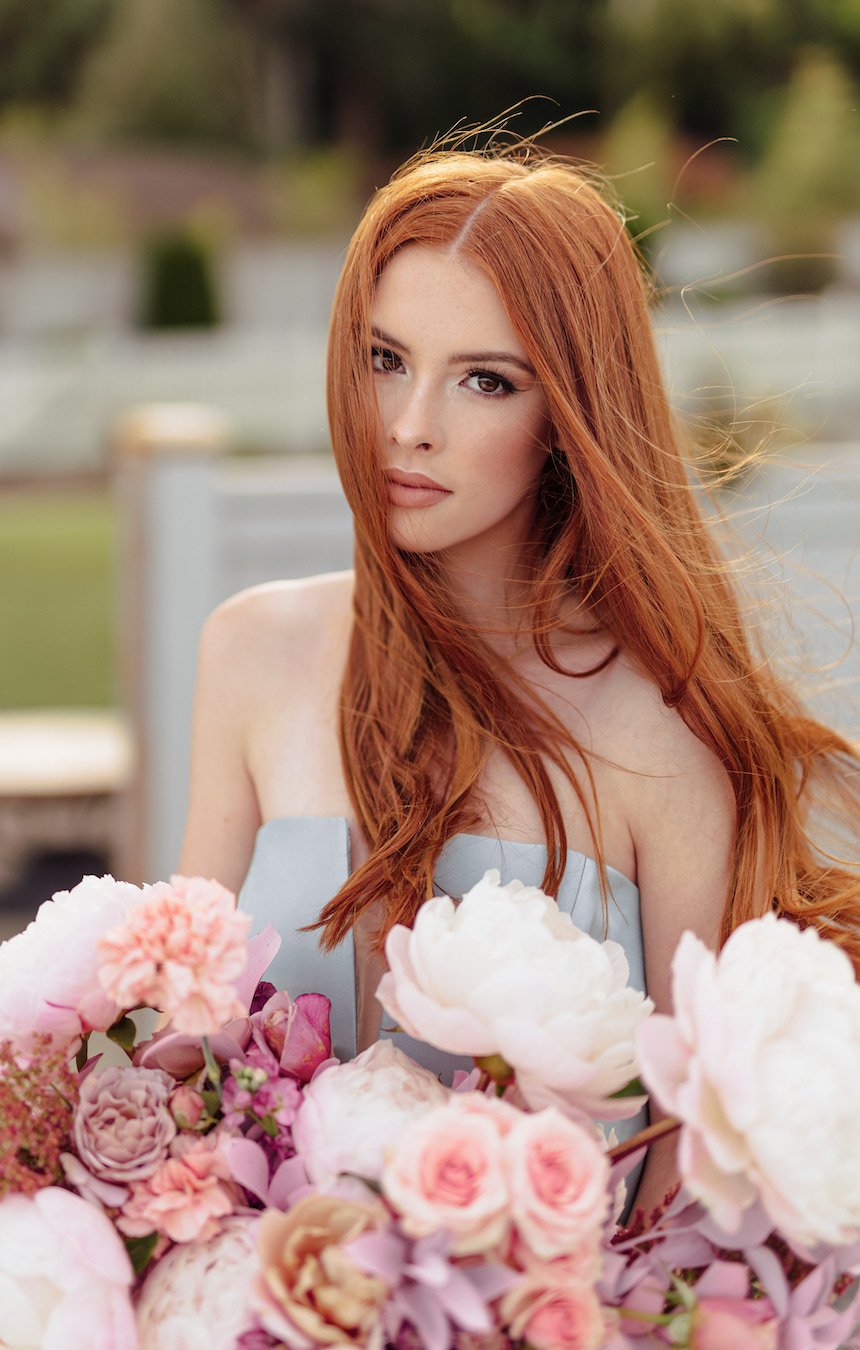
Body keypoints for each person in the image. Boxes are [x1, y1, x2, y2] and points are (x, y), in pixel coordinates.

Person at [178, 144, 860, 1215]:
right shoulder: (252, 652)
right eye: (384, 359)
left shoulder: (662, 724)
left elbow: (683, 1183)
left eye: (485, 380)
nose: (409, 425)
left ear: (567, 417)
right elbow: (179, 1051)